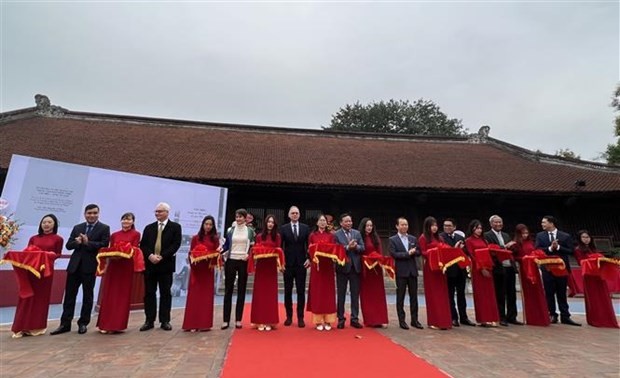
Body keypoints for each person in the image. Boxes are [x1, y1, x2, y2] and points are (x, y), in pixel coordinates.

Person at [51, 204, 110, 335]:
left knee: (87, 297)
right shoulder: (78, 227)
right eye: (89, 213)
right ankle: (65, 324)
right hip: (74, 267)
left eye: (95, 213)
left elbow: (104, 245)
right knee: (69, 297)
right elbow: (68, 245)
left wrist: (88, 242)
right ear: (85, 214)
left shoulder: (104, 228)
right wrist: (77, 242)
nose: (92, 215)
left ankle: (83, 323)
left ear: (98, 214)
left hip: (90, 267)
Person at [11, 214, 63, 338]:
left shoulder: (58, 239)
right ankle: (20, 327)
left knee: (41, 299)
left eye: (49, 222)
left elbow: (58, 254)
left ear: (54, 224)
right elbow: (27, 252)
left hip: (45, 273)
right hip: (31, 272)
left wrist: (49, 255)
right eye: (44, 222)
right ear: (40, 224)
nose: (46, 224)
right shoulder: (33, 238)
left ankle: (36, 327)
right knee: (26, 297)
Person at [139, 202, 182, 332]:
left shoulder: (175, 227)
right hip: (150, 265)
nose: (157, 214)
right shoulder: (149, 228)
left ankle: (165, 320)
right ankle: (149, 320)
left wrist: (162, 256)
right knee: (149, 293)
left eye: (160, 211)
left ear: (167, 212)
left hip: (165, 265)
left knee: (165, 293)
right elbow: (143, 245)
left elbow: (175, 245)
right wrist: (150, 256)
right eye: (156, 211)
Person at [97, 212, 142, 334]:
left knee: (122, 295)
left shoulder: (136, 234)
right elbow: (111, 248)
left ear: (133, 222)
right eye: (124, 219)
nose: (126, 222)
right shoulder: (114, 234)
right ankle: (104, 324)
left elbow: (134, 249)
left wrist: (123, 252)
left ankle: (116, 325)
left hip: (125, 267)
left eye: (129, 220)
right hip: (113, 266)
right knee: (109, 294)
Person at [534, 215, 580, 326]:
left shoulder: (565, 236)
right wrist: (550, 248)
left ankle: (565, 316)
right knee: (549, 293)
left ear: (551, 223)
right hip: (547, 268)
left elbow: (571, 251)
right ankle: (552, 314)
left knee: (561, 293)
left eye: (544, 222)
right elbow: (537, 249)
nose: (542, 224)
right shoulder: (540, 236)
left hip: (561, 269)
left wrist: (558, 247)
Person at [182, 215, 221, 332]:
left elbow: (216, 255)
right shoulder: (195, 238)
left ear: (213, 226)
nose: (208, 226)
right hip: (197, 270)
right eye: (206, 224)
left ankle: (204, 323)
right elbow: (191, 253)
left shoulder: (215, 239)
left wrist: (214, 254)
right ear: (202, 225)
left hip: (207, 271)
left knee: (206, 297)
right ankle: (191, 323)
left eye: (210, 224)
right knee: (194, 297)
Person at [574, 230, 618, 328]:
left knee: (604, 298)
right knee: (594, 299)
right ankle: (596, 319)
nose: (586, 239)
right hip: (589, 277)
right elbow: (581, 262)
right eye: (584, 237)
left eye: (588, 237)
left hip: (599, 276)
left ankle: (606, 318)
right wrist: (594, 259)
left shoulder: (593, 248)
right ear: (579, 239)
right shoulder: (578, 250)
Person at [483, 215, 522, 326]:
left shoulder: (506, 235)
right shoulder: (487, 235)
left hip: (509, 266)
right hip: (498, 268)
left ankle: (512, 316)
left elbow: (512, 251)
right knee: (500, 293)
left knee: (512, 293)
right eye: (496, 222)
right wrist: (504, 247)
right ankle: (501, 316)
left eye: (500, 222)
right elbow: (491, 251)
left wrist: (513, 246)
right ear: (491, 224)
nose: (498, 224)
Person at [221, 208, 255, 329]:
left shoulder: (250, 231)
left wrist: (249, 256)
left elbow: (252, 247)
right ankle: (225, 320)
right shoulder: (230, 230)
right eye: (237, 216)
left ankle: (238, 319)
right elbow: (226, 245)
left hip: (243, 261)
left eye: (240, 216)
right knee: (228, 290)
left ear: (245, 218)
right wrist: (220, 251)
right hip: (231, 260)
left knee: (241, 290)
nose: (238, 219)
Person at [388, 217, 423, 330]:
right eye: (402, 225)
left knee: (414, 297)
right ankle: (402, 320)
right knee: (400, 297)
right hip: (401, 272)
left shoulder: (412, 238)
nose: (404, 226)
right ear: (397, 226)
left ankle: (414, 320)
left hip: (412, 271)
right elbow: (394, 254)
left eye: (406, 224)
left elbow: (419, 251)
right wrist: (407, 254)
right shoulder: (393, 239)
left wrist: (414, 252)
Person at [511, 224, 550, 326]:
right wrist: (525, 258)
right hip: (524, 270)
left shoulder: (531, 242)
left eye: (526, 233)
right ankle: (531, 318)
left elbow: (534, 252)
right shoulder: (515, 244)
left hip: (534, 269)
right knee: (528, 293)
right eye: (523, 233)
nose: (525, 235)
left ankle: (542, 316)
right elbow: (514, 257)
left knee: (538, 291)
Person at [440, 218, 475, 327]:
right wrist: (455, 249)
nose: (447, 228)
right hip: (449, 270)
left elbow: (466, 252)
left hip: (461, 270)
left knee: (461, 295)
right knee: (450, 295)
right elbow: (443, 252)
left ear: (454, 227)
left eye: (449, 226)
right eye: (445, 226)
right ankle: (453, 317)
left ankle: (464, 317)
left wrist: (462, 249)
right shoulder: (441, 238)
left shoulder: (460, 238)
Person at [418, 216, 452, 330]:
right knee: (433, 294)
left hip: (441, 268)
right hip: (430, 268)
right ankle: (434, 321)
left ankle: (444, 321)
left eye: (436, 225)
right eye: (432, 225)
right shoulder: (423, 238)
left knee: (442, 294)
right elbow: (422, 252)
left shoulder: (440, 238)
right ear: (427, 226)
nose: (434, 227)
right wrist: (433, 252)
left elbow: (445, 249)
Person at [279, 206, 310, 327]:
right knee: (287, 291)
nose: (295, 215)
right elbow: (280, 246)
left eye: (297, 213)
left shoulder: (305, 228)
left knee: (301, 292)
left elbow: (309, 245)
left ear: (299, 215)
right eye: (293, 213)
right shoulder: (283, 228)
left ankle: (301, 317)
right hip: (288, 264)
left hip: (301, 264)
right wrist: (281, 262)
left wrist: (309, 258)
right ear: (289, 215)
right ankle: (289, 317)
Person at [251, 215, 282, 331]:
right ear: (265, 223)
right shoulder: (259, 236)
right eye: (268, 222)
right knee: (260, 293)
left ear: (275, 224)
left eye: (272, 222)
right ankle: (259, 321)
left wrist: (280, 265)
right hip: (261, 267)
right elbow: (255, 250)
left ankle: (269, 320)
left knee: (270, 294)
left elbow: (279, 250)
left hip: (271, 267)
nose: (270, 224)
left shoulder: (277, 236)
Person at [465, 220, 500, 327]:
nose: (479, 230)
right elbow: (472, 256)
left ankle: (492, 317)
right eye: (477, 228)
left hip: (488, 267)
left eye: (480, 228)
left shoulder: (484, 240)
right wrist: (482, 269)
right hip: (478, 269)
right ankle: (483, 319)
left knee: (490, 293)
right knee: (481, 294)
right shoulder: (469, 241)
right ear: (472, 229)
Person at [334, 213, 365, 329]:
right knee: (341, 294)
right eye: (346, 221)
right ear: (341, 223)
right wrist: (347, 247)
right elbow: (336, 249)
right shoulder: (336, 234)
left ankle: (354, 318)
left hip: (355, 268)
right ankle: (341, 318)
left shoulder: (357, 233)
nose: (349, 223)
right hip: (342, 267)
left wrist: (356, 247)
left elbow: (363, 247)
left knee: (355, 294)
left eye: (350, 221)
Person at [307, 214, 338, 331]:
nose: (322, 222)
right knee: (318, 292)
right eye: (320, 220)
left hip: (328, 267)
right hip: (317, 267)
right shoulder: (312, 235)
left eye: (324, 220)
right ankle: (318, 321)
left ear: (327, 223)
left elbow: (334, 249)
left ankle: (329, 320)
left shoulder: (331, 236)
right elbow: (309, 249)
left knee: (328, 293)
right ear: (317, 223)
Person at [358, 217, 389, 328]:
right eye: (367, 226)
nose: (369, 228)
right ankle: (370, 319)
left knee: (378, 295)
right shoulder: (359, 237)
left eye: (371, 226)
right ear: (363, 226)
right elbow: (358, 252)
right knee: (367, 295)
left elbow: (380, 252)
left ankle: (380, 319)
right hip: (365, 269)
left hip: (376, 270)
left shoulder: (376, 237)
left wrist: (382, 263)